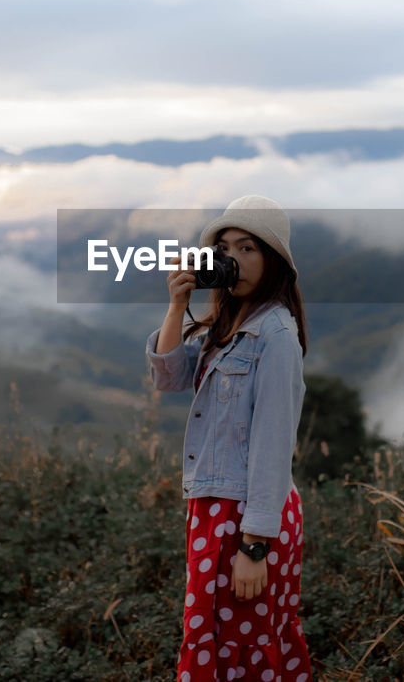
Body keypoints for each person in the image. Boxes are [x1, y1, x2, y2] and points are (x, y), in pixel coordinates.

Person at [146, 194, 313, 682]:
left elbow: (273, 443)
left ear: (273, 260)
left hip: (248, 517)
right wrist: (177, 305)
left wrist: (255, 547)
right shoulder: (229, 323)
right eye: (225, 248)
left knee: (243, 641)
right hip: (217, 509)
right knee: (217, 635)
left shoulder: (275, 334)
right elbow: (168, 379)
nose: (234, 259)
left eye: (248, 248)